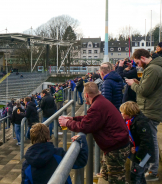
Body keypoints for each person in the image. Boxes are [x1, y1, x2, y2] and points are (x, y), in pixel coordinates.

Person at [59, 82, 129, 184]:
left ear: (86, 95)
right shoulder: (101, 101)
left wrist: (68, 123)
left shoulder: (97, 106)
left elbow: (85, 127)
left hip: (116, 148)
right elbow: (90, 119)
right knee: (106, 175)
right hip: (117, 144)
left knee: (117, 179)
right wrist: (73, 118)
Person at [126, 49, 162, 182]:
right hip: (150, 108)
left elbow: (144, 91)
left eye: (137, 62)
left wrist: (132, 85)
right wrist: (138, 83)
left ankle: (152, 170)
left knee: (151, 141)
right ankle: (148, 167)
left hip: (150, 110)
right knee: (149, 140)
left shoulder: (153, 69)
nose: (137, 65)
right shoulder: (154, 68)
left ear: (142, 57)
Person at [21, 123, 88, 184]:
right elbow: (81, 161)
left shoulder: (26, 164)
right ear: (48, 137)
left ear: (32, 139)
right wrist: (82, 139)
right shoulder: (58, 154)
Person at [120, 101, 155, 184]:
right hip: (139, 154)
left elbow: (146, 141)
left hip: (143, 156)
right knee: (140, 176)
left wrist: (139, 155)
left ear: (129, 113)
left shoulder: (141, 123)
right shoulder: (131, 121)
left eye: (122, 112)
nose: (121, 114)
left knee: (135, 176)